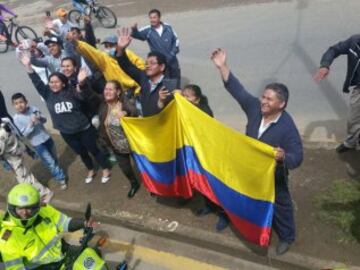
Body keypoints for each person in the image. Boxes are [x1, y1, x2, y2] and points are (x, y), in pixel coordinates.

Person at [211, 48, 303, 255]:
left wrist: (283, 157)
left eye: (269, 99)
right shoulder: (254, 108)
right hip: (247, 168)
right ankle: (229, 216)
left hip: (273, 176)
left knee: (281, 204)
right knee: (236, 193)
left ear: (281, 104)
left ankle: (287, 236)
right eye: (263, 96)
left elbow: (298, 157)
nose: (263, 101)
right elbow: (237, 90)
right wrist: (222, 66)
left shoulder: (287, 128)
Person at [20, 55, 111, 184]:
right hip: (67, 133)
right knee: (82, 153)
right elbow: (37, 82)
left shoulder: (72, 91)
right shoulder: (47, 94)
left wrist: (82, 83)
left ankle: (106, 168)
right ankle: (91, 169)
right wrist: (28, 66)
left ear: (63, 83)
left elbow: (85, 97)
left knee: (94, 149)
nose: (53, 84)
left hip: (83, 129)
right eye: (51, 82)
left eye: (56, 82)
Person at [0, 183, 95, 269]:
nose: (25, 213)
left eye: (29, 208)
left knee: (93, 258)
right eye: (20, 209)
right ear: (12, 208)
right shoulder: (7, 240)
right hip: (43, 267)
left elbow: (64, 222)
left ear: (36, 206)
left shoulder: (43, 210)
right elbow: (14, 268)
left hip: (64, 253)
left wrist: (83, 223)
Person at [79, 79, 141, 198]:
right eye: (106, 89)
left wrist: (126, 114)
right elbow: (90, 95)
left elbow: (134, 111)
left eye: (110, 89)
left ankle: (151, 185)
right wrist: (83, 84)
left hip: (133, 145)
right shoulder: (102, 104)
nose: (107, 92)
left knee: (143, 167)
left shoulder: (125, 104)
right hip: (117, 147)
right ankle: (134, 184)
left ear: (118, 92)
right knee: (126, 169)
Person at [314, 35, 360, 153]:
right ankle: (351, 142)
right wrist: (325, 65)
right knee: (352, 120)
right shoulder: (354, 41)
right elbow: (334, 50)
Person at [12, 93, 67, 190]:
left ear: (26, 102)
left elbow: (44, 120)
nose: (19, 105)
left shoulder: (33, 108)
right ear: (13, 106)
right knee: (50, 162)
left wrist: (40, 118)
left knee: (54, 158)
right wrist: (31, 124)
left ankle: (56, 173)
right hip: (37, 144)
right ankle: (61, 178)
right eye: (16, 103)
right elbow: (23, 134)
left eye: (21, 102)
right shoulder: (16, 119)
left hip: (47, 138)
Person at [67, 32, 145, 97]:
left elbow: (142, 66)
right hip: (119, 95)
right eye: (106, 46)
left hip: (136, 91)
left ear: (118, 44)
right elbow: (90, 50)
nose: (108, 48)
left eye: (111, 45)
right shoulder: (104, 58)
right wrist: (76, 42)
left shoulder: (127, 53)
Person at [116, 27, 173, 116]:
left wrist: (161, 103)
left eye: (152, 63)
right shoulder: (144, 77)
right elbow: (127, 66)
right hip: (146, 124)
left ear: (162, 67)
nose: (147, 65)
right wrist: (120, 49)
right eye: (146, 63)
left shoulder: (170, 84)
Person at [0, 118, 53, 202]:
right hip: (18, 149)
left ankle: (44, 193)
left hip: (13, 157)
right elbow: (17, 133)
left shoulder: (1, 134)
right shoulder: (5, 121)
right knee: (25, 174)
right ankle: (40, 192)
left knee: (24, 178)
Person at [131, 9, 181, 87]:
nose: (152, 20)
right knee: (164, 83)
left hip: (172, 60)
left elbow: (176, 41)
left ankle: (178, 94)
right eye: (150, 18)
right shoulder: (148, 30)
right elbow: (137, 35)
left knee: (176, 79)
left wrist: (172, 53)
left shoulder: (168, 27)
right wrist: (134, 30)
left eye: (154, 17)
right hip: (159, 62)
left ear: (159, 18)